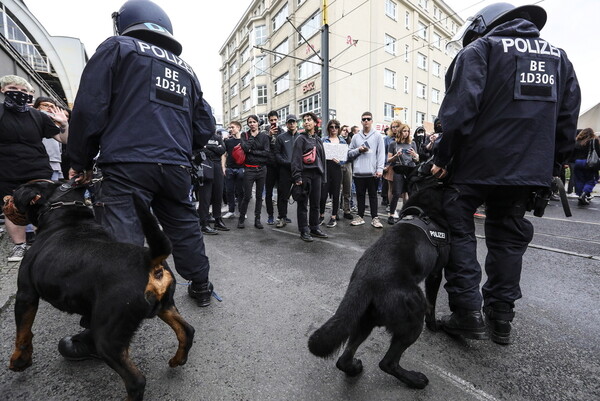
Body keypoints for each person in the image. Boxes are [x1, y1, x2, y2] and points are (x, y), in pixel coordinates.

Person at [431, 3, 580, 344]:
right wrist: (552, 168)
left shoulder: (481, 49)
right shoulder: (560, 58)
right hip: (529, 169)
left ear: (484, 24)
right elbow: (567, 121)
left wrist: (442, 157)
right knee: (509, 239)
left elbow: (459, 110)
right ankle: (501, 319)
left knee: (458, 227)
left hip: (477, 165)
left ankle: (467, 313)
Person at [68, 0, 217, 329]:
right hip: (175, 167)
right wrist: (180, 150)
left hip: (127, 162)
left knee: (122, 244)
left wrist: (79, 159)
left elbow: (90, 107)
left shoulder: (118, 47)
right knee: (183, 225)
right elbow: (205, 126)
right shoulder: (186, 69)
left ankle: (106, 327)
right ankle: (202, 286)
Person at [0, 75, 68, 262]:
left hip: (37, 169)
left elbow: (64, 139)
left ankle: (46, 244)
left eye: (23, 91)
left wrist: (64, 124)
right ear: (3, 90)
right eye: (13, 88)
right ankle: (20, 247)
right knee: (12, 208)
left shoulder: (39, 116)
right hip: (7, 170)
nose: (19, 93)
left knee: (44, 206)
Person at [291, 112, 327, 242]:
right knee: (303, 204)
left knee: (315, 204)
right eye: (304, 120)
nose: (306, 122)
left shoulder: (318, 140)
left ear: (315, 123)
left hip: (317, 175)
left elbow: (322, 160)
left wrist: (323, 177)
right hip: (305, 175)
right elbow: (295, 159)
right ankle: (304, 230)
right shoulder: (300, 139)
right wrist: (297, 177)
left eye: (309, 120)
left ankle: (314, 227)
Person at [347, 112, 385, 228]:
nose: (366, 121)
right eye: (364, 119)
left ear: (372, 121)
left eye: (368, 119)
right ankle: (360, 216)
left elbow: (381, 154)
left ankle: (375, 218)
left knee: (373, 196)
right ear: (361, 121)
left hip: (372, 172)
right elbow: (349, 153)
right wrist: (359, 150)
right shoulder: (355, 137)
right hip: (359, 172)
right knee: (360, 195)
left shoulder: (378, 136)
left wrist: (380, 169)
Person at [238, 114, 270, 229]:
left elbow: (266, 153)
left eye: (254, 122)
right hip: (249, 169)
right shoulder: (244, 135)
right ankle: (241, 219)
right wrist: (252, 137)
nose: (252, 124)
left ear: (258, 123)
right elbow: (245, 148)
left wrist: (252, 151)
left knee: (259, 196)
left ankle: (257, 219)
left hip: (262, 169)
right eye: (250, 122)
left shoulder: (265, 137)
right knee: (247, 196)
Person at [196, 128, 228, 234]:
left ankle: (218, 220)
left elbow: (222, 150)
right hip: (205, 166)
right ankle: (204, 223)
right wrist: (215, 148)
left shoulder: (218, 137)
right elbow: (200, 151)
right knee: (205, 196)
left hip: (217, 166)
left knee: (218, 194)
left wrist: (208, 147)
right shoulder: (200, 137)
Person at [387, 123, 419, 224]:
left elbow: (417, 159)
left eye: (408, 131)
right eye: (404, 131)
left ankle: (409, 214)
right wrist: (396, 155)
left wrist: (414, 155)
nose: (406, 133)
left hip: (410, 169)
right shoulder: (393, 144)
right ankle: (391, 214)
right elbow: (389, 159)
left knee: (411, 193)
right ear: (400, 132)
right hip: (399, 169)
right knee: (396, 192)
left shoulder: (412, 143)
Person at [319, 119, 347, 228]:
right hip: (326, 169)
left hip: (336, 169)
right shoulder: (324, 140)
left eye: (336, 127)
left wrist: (340, 161)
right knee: (323, 194)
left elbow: (345, 158)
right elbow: (320, 155)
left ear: (338, 128)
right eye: (331, 127)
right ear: (328, 128)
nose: (334, 129)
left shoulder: (342, 141)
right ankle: (321, 216)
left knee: (336, 194)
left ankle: (333, 217)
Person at [274, 114, 299, 228]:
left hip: (298, 171)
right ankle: (282, 217)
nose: (292, 124)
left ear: (296, 123)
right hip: (285, 171)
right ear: (286, 124)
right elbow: (277, 154)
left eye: (293, 122)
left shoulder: (301, 137)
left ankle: (302, 221)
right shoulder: (281, 137)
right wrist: (286, 163)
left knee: (301, 195)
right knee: (283, 196)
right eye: (289, 122)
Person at [34, 97, 65, 180]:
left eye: (52, 106)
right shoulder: (33, 121)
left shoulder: (56, 124)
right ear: (37, 107)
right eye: (45, 105)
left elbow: (62, 142)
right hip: (36, 161)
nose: (49, 108)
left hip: (54, 162)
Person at [263, 110, 283, 225]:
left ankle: (281, 215)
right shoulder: (265, 132)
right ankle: (270, 215)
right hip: (269, 165)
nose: (273, 122)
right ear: (268, 120)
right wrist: (269, 135)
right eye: (271, 120)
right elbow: (263, 145)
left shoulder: (282, 131)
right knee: (269, 192)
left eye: (275, 120)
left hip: (280, 165)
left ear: (278, 119)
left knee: (281, 192)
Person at [223, 121, 245, 219]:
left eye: (232, 127)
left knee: (241, 191)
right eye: (229, 128)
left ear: (239, 127)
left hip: (241, 169)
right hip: (230, 169)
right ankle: (231, 211)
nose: (230, 129)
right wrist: (223, 167)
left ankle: (242, 211)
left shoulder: (245, 140)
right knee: (229, 191)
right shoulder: (228, 141)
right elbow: (224, 155)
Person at [571, 128, 599, 205]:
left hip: (577, 162)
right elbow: (597, 152)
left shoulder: (577, 141)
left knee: (580, 180)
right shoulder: (594, 141)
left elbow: (572, 153)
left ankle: (580, 195)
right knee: (591, 180)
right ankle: (584, 193)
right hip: (589, 162)